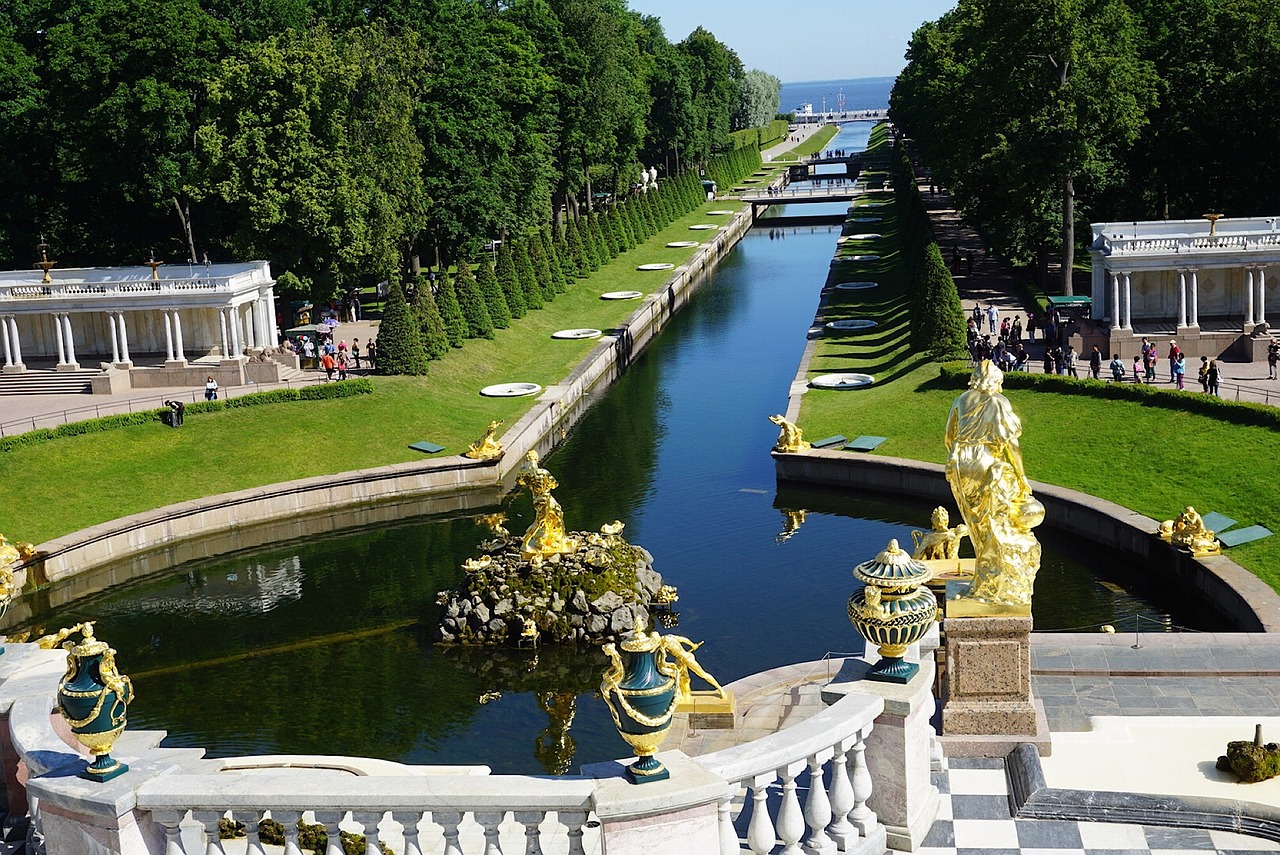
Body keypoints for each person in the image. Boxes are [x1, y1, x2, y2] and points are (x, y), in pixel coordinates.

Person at [944, 360, 1043, 607]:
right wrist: (1021, 476)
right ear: (996, 381)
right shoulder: (999, 402)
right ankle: (994, 586)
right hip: (986, 463)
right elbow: (1011, 444)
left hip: (959, 465)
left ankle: (983, 580)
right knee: (993, 526)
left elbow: (948, 437)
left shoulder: (961, 400)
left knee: (976, 527)